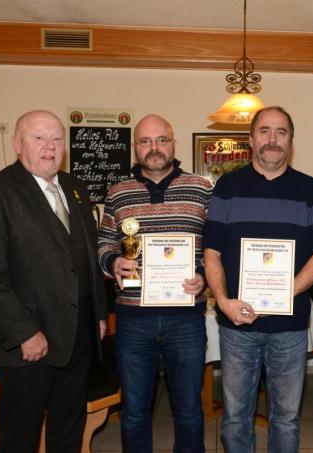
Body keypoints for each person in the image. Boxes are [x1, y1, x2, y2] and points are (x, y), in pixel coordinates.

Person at [0, 109, 108, 452]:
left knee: (68, 432)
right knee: (20, 437)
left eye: (57, 139)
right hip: (29, 345)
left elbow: (87, 256)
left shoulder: (75, 187)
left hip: (78, 339)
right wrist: (24, 332)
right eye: (38, 137)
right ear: (17, 144)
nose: (50, 146)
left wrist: (99, 313)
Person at [203, 106, 313, 452]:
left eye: (281, 132)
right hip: (237, 325)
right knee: (235, 417)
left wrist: (285, 291)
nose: (272, 139)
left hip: (291, 326)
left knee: (286, 418)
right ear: (251, 139)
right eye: (264, 131)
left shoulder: (310, 188)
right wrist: (223, 300)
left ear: (291, 140)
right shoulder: (227, 187)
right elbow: (211, 251)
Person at [97, 114, 212, 453]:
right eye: (145, 141)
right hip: (133, 318)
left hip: (187, 317)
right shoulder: (118, 192)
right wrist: (114, 261)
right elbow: (104, 243)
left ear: (173, 143)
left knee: (190, 410)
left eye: (161, 140)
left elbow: (216, 245)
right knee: (133, 412)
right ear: (135, 148)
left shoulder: (202, 189)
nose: (154, 148)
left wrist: (204, 275)